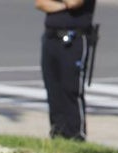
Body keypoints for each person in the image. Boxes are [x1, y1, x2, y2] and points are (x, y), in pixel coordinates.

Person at [35, 0, 97, 140]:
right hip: (51, 37)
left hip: (74, 38)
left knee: (71, 88)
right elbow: (40, 3)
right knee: (53, 88)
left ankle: (75, 134)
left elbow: (74, 2)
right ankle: (58, 132)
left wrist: (56, 4)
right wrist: (62, 6)